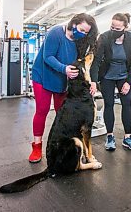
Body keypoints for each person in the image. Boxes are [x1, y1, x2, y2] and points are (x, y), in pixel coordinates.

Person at [29, 13, 98, 163]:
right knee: (42, 110)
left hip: (62, 79)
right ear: (74, 23)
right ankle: (37, 146)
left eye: (87, 32)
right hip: (43, 76)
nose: (84, 34)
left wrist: (91, 81)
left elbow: (83, 65)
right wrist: (64, 69)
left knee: (63, 115)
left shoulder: (80, 41)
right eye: (82, 29)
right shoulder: (55, 32)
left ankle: (62, 146)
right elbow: (48, 57)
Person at [90, 13, 131, 151]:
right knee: (109, 104)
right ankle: (110, 136)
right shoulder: (104, 38)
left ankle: (128, 137)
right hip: (107, 76)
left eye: (117, 28)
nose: (114, 30)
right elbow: (96, 62)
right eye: (112, 27)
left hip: (124, 76)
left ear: (125, 27)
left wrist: (128, 82)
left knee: (127, 103)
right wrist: (93, 81)